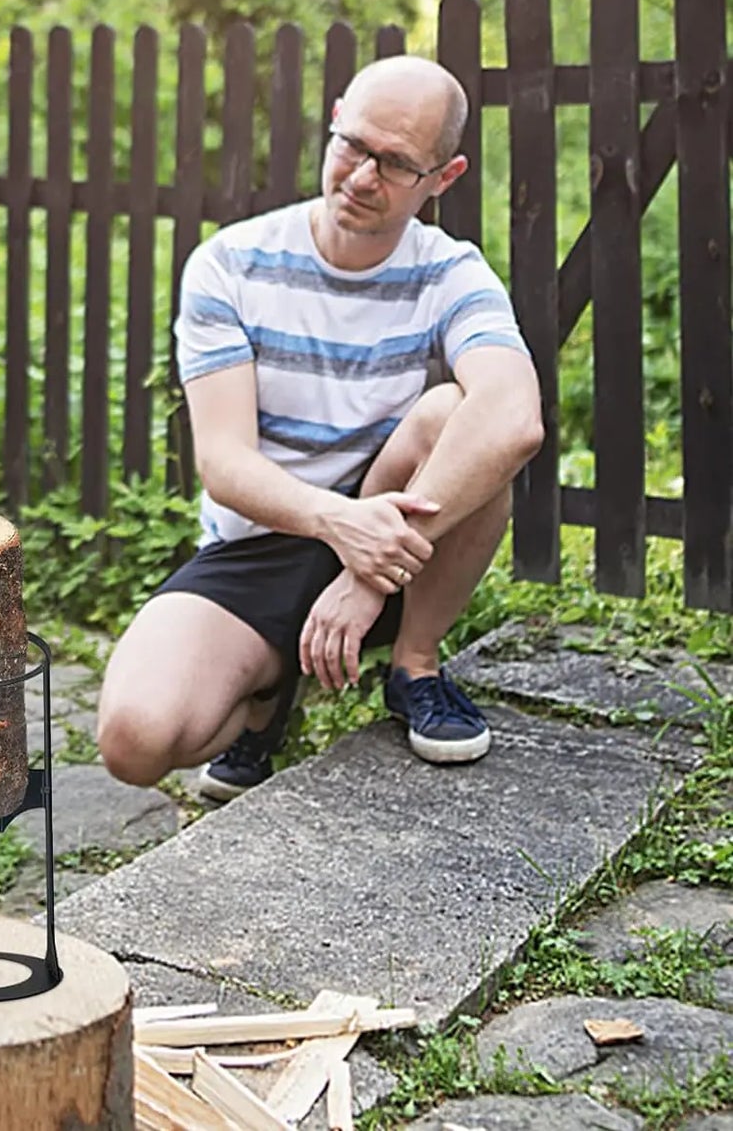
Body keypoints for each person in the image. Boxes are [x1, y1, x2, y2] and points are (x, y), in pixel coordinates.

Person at [96, 55, 544, 803]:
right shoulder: (231, 265)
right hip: (263, 538)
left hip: (403, 533)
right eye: (353, 145)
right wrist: (343, 529)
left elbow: (513, 415)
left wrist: (367, 571)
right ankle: (268, 694)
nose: (363, 176)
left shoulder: (450, 273)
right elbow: (224, 462)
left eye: (397, 163)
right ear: (332, 120)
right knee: (134, 739)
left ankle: (414, 663)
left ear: (443, 176)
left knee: (451, 418)